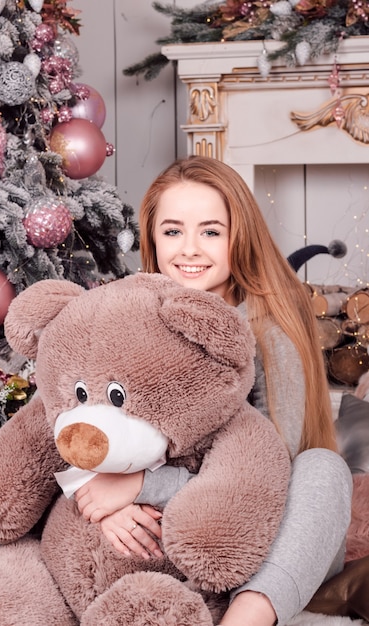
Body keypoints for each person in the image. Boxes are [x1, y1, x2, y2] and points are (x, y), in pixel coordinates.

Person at [74, 155, 353, 626]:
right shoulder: (127, 316)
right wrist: (99, 501)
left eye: (210, 231)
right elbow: (72, 422)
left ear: (237, 237)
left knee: (323, 469)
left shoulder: (269, 326)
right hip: (166, 535)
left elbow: (269, 475)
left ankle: (247, 616)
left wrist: (142, 485)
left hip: (266, 533)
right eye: (172, 231)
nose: (190, 249)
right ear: (152, 238)